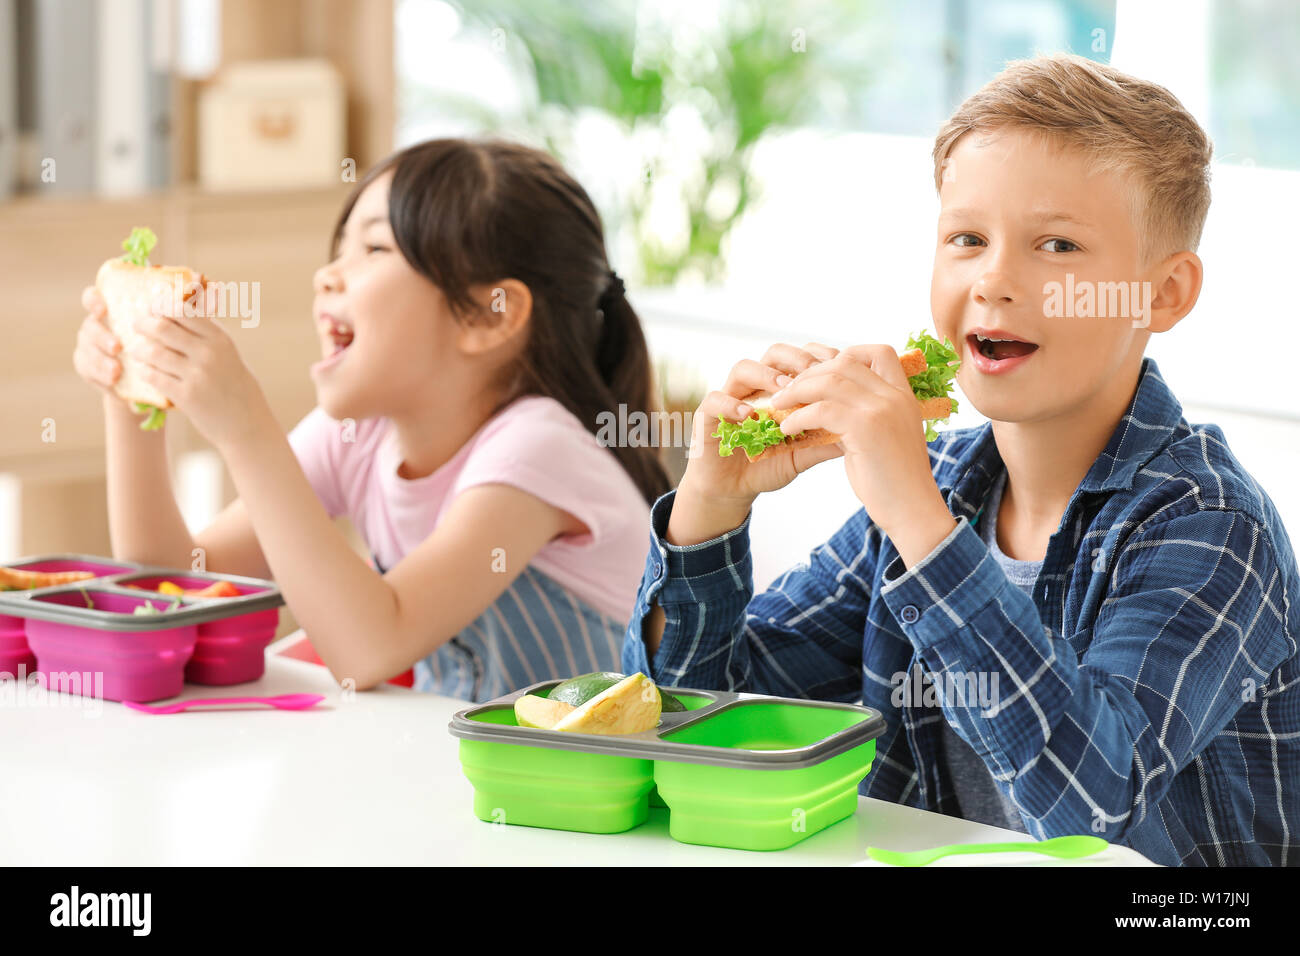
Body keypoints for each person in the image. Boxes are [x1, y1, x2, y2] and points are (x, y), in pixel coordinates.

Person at [623, 54, 1300, 867]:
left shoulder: (1211, 524)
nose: (994, 280)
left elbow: (1092, 804)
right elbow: (687, 721)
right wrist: (710, 505)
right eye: (967, 239)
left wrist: (916, 517)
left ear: (1162, 294)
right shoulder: (942, 485)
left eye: (1057, 245)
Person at [75, 138, 669, 702]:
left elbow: (369, 649)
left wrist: (244, 429)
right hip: (487, 781)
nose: (327, 275)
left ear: (489, 317)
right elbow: (176, 581)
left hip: (611, 787)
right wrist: (133, 394)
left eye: (375, 249)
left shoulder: (537, 447)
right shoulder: (359, 436)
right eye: (339, 249)